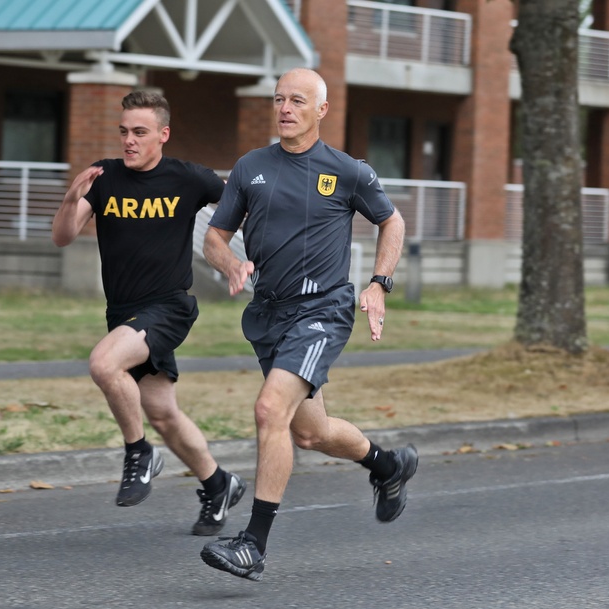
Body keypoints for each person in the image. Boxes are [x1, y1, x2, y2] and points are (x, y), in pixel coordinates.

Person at [199, 68, 417, 580]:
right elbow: (216, 236)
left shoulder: (347, 171)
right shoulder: (250, 167)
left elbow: (392, 220)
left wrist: (378, 282)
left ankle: (253, 544)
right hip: (268, 314)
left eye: (297, 100)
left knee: (269, 408)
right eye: (279, 99)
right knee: (310, 433)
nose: (285, 108)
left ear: (321, 110)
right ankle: (388, 466)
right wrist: (230, 263)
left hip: (322, 311)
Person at [51, 90, 246, 536]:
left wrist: (242, 256)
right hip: (124, 314)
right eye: (124, 132)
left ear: (163, 134)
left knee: (103, 363)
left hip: (169, 307)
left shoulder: (188, 179)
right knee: (162, 412)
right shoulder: (104, 178)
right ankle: (219, 484)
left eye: (140, 132)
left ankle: (139, 454)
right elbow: (63, 237)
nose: (129, 141)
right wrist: (70, 200)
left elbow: (242, 205)